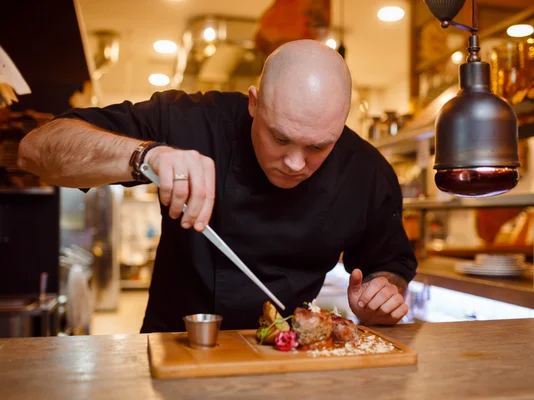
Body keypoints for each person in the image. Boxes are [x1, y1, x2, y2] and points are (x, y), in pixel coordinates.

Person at [18, 39, 417, 332]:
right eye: (279, 138)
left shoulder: (368, 171)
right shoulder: (191, 122)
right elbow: (35, 150)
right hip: (175, 344)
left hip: (287, 354)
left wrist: (382, 293)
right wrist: (146, 156)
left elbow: (389, 264)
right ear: (254, 104)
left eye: (318, 146)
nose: (296, 163)